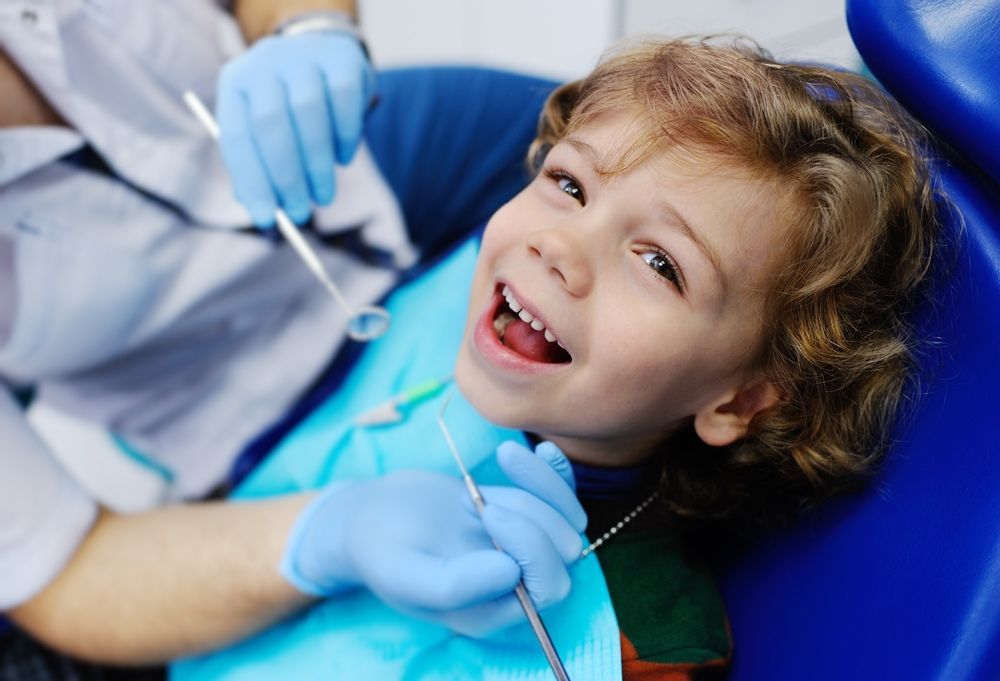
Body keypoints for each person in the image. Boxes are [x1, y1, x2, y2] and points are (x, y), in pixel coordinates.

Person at [171, 35, 946, 680]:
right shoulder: (446, 290)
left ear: (737, 402)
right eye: (569, 183)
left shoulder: (646, 641)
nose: (559, 244)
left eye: (660, 264)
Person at [0, 1, 578, 678]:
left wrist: (306, 24)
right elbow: (63, 570)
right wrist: (328, 534)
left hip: (379, 162)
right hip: (247, 406)